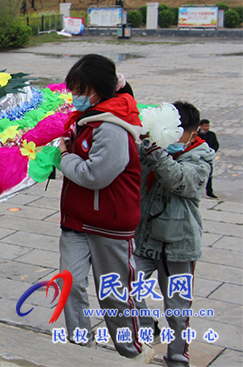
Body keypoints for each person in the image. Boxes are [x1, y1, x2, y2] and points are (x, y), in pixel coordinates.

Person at [57, 55, 153, 362]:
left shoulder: (112, 126)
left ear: (99, 90)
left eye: (81, 90)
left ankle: (132, 351)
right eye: (73, 90)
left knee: (114, 296)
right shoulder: (89, 119)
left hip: (108, 224)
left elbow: (96, 175)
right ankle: (81, 350)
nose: (75, 97)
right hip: (76, 221)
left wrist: (63, 157)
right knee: (69, 283)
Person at [135, 102, 215, 367]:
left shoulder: (201, 156)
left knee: (178, 311)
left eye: (175, 131)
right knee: (124, 286)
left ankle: (178, 358)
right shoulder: (152, 147)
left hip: (179, 245)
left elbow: (180, 181)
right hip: (144, 239)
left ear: (191, 133)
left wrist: (156, 152)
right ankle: (148, 324)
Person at [197, 119, 219, 198]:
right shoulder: (197, 135)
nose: (207, 128)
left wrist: (211, 152)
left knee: (209, 175)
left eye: (208, 126)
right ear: (201, 126)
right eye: (205, 126)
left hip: (209, 158)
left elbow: (216, 145)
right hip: (199, 158)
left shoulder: (212, 134)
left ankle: (209, 192)